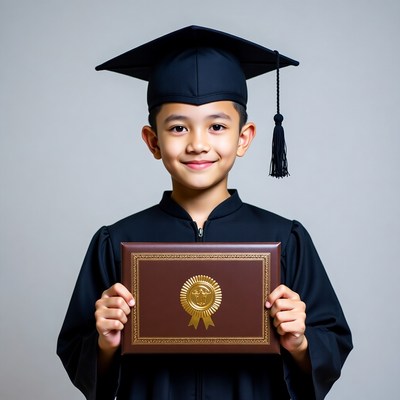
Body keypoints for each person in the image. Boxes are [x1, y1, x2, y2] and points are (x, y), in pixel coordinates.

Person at [57, 25, 353, 400]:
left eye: (216, 126)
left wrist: (299, 341)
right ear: (153, 141)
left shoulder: (285, 239)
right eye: (178, 127)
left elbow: (331, 347)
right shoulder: (116, 242)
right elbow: (81, 363)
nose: (198, 144)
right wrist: (105, 342)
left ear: (243, 138)